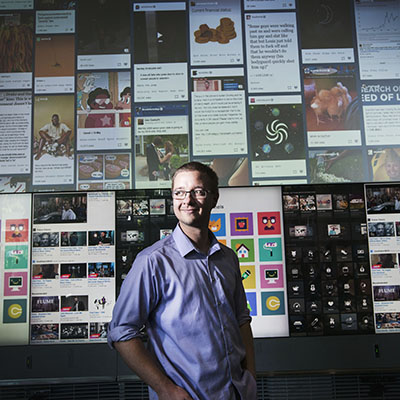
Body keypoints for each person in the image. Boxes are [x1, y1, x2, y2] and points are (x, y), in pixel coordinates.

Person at [108, 161, 256, 400]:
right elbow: (121, 332)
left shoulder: (228, 258)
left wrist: (250, 378)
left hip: (238, 393)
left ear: (214, 198)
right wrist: (165, 389)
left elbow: (241, 321)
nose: (187, 200)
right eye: (179, 192)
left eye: (198, 191)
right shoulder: (152, 261)